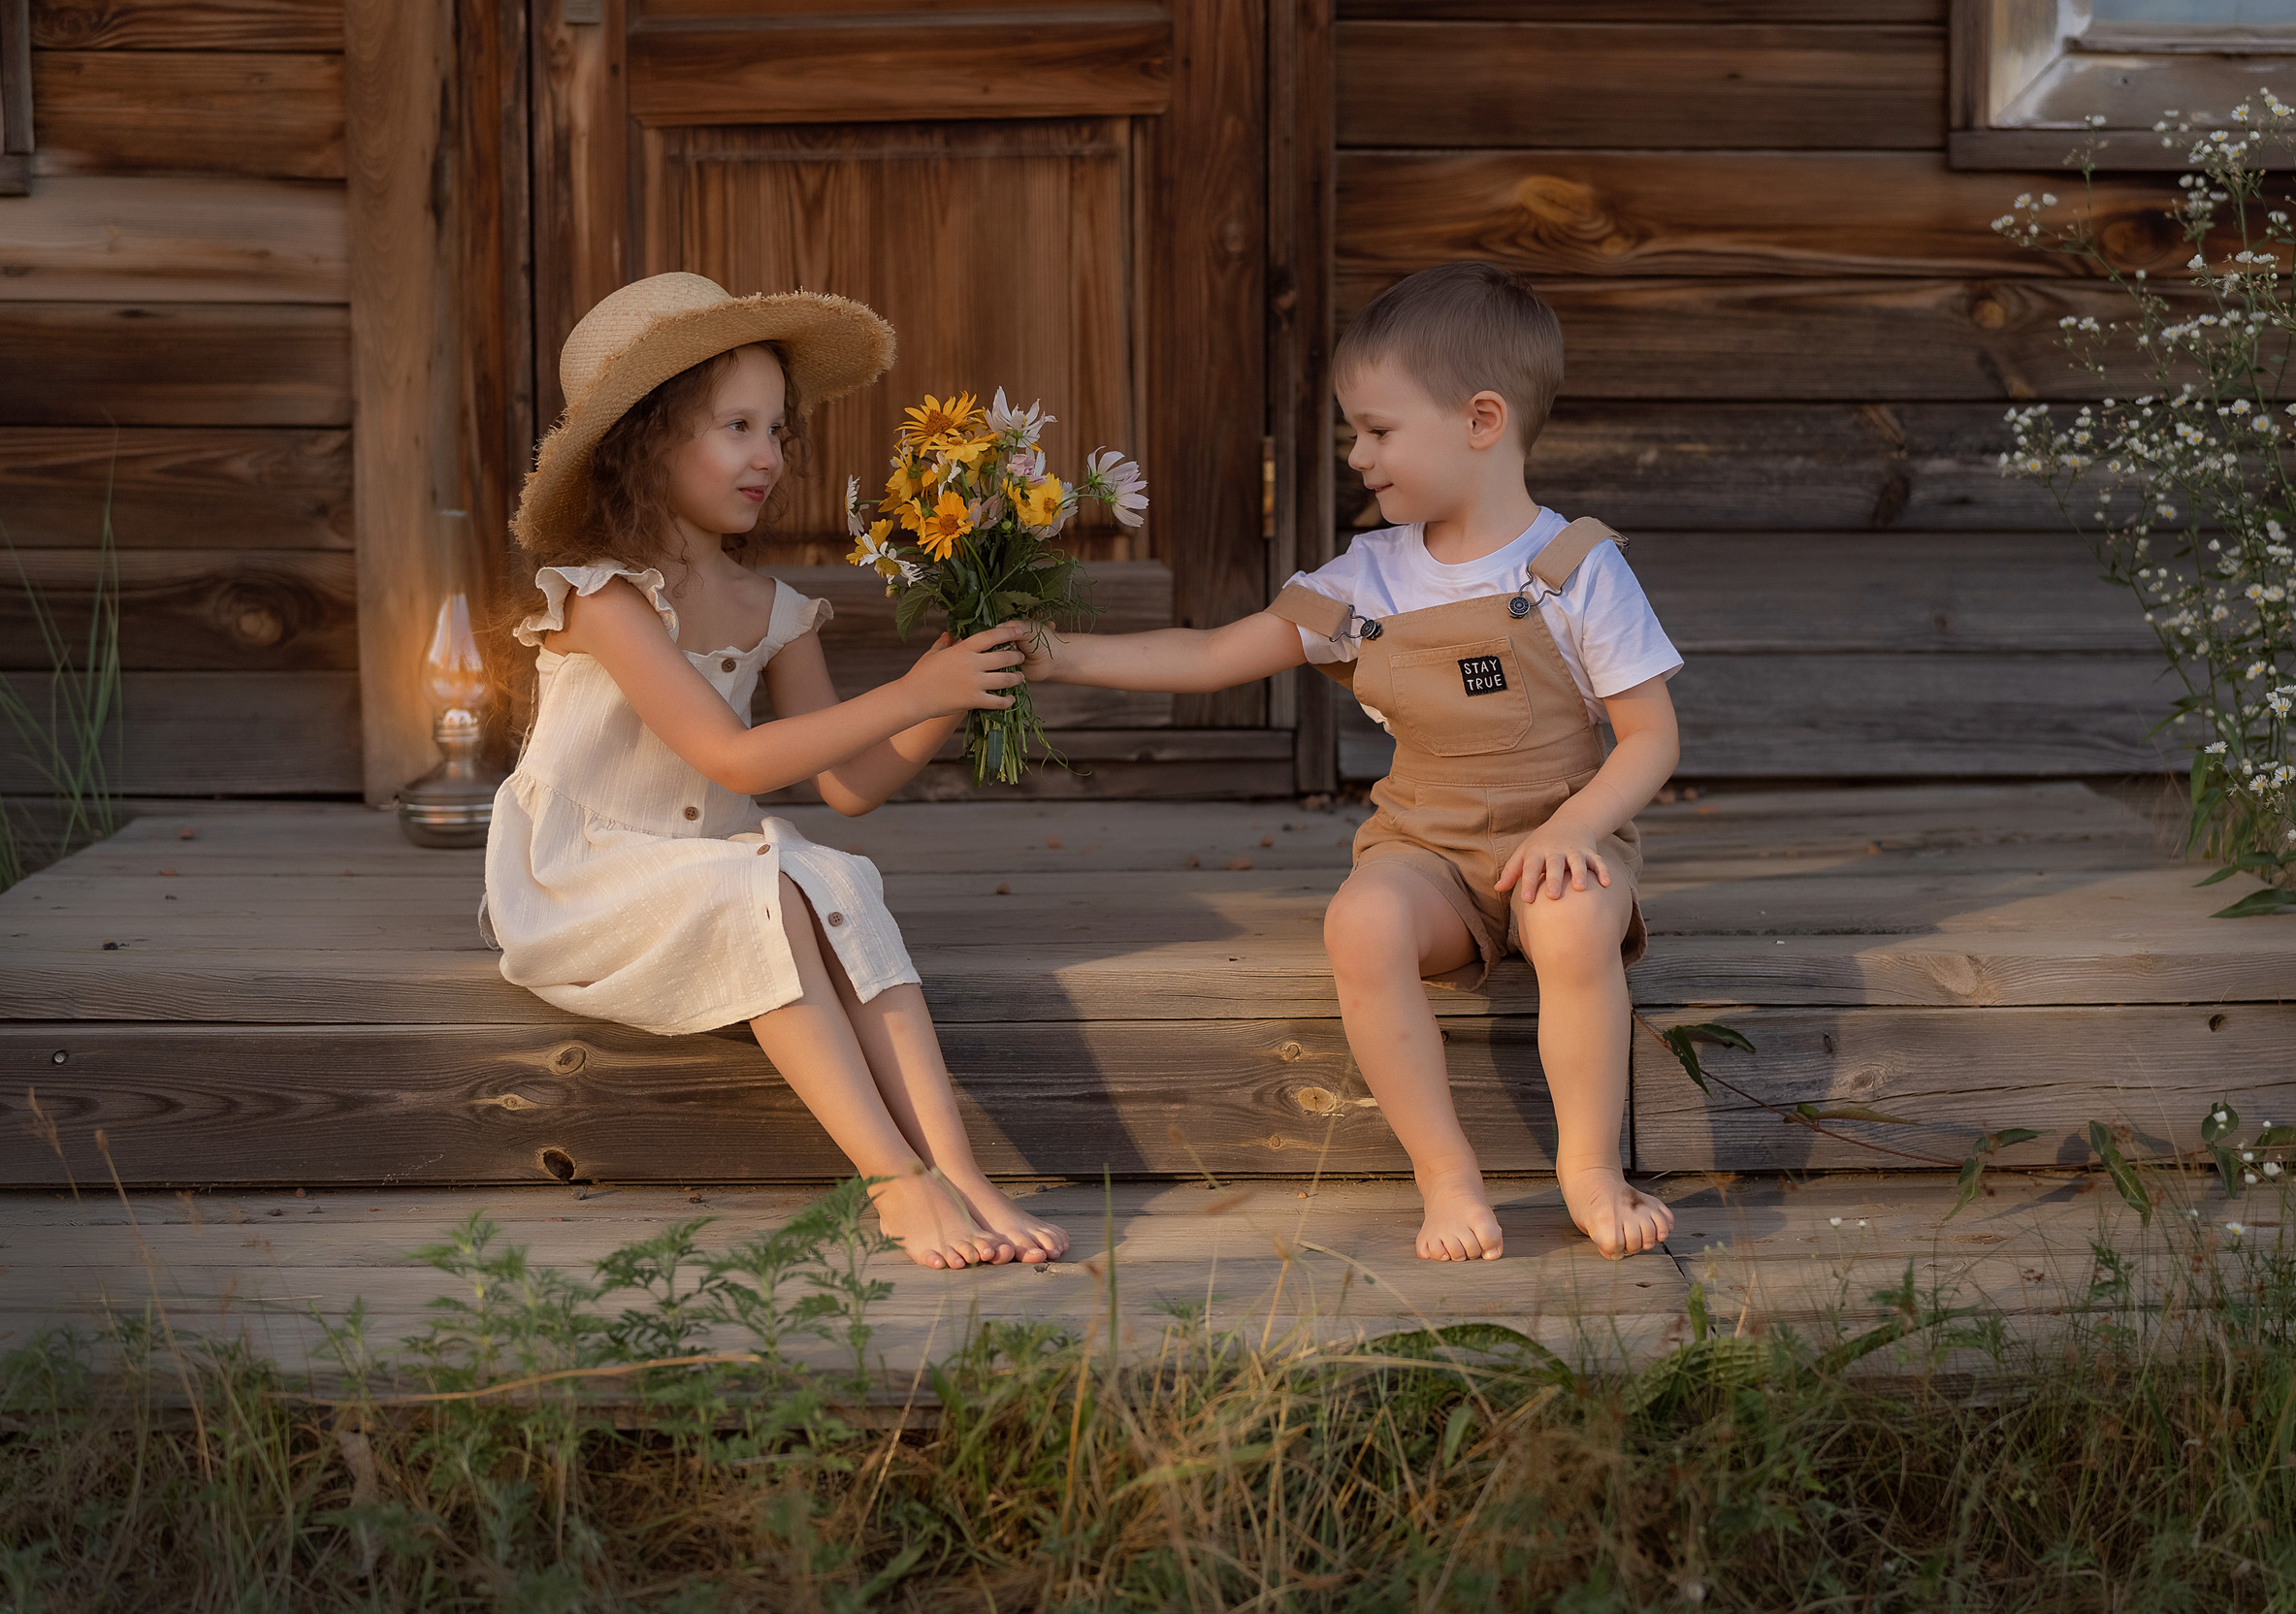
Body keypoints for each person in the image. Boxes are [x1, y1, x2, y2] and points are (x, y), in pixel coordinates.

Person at [1029, 261, 1682, 1262]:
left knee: (1572, 917)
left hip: (1558, 836)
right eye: (1353, 431)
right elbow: (1211, 655)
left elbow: (1650, 739)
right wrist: (1057, 652)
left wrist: (1575, 828)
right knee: (1362, 921)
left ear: (1480, 421)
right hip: (1431, 853)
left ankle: (1590, 1168)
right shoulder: (1363, 579)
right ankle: (1446, 1175)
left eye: (1377, 430)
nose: (1356, 453)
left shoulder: (1573, 567)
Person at [482, 271, 1068, 1270]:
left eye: (778, 431)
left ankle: (959, 1170)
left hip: (710, 873)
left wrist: (960, 680)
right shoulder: (604, 599)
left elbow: (850, 785)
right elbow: (728, 755)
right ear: (648, 440)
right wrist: (915, 691)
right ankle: (891, 1179)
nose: (770, 457)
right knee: (763, 877)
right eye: (737, 427)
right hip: (584, 879)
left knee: (832, 869)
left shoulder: (775, 606)